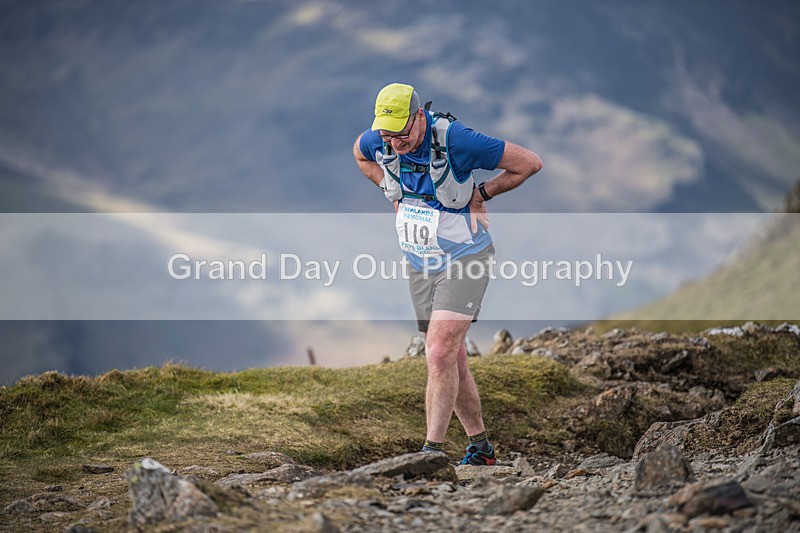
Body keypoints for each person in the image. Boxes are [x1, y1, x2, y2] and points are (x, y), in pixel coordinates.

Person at [353, 83, 542, 465]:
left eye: (402, 133)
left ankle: (430, 455)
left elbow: (529, 162)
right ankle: (481, 449)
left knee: (438, 351)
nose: (394, 143)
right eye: (388, 134)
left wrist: (482, 194)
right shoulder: (380, 139)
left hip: (466, 257)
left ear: (419, 117)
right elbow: (360, 155)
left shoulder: (457, 140)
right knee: (452, 359)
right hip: (419, 260)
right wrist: (391, 189)